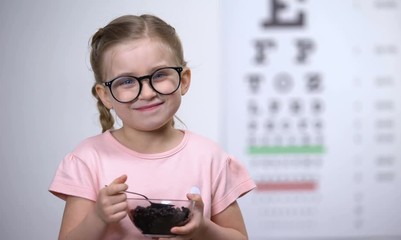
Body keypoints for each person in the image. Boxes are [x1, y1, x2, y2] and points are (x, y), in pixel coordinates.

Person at [49, 14, 256, 240]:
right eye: (126, 81)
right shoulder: (88, 160)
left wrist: (203, 229)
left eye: (159, 75)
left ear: (184, 80)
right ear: (105, 95)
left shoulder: (210, 158)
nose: (147, 93)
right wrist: (98, 217)